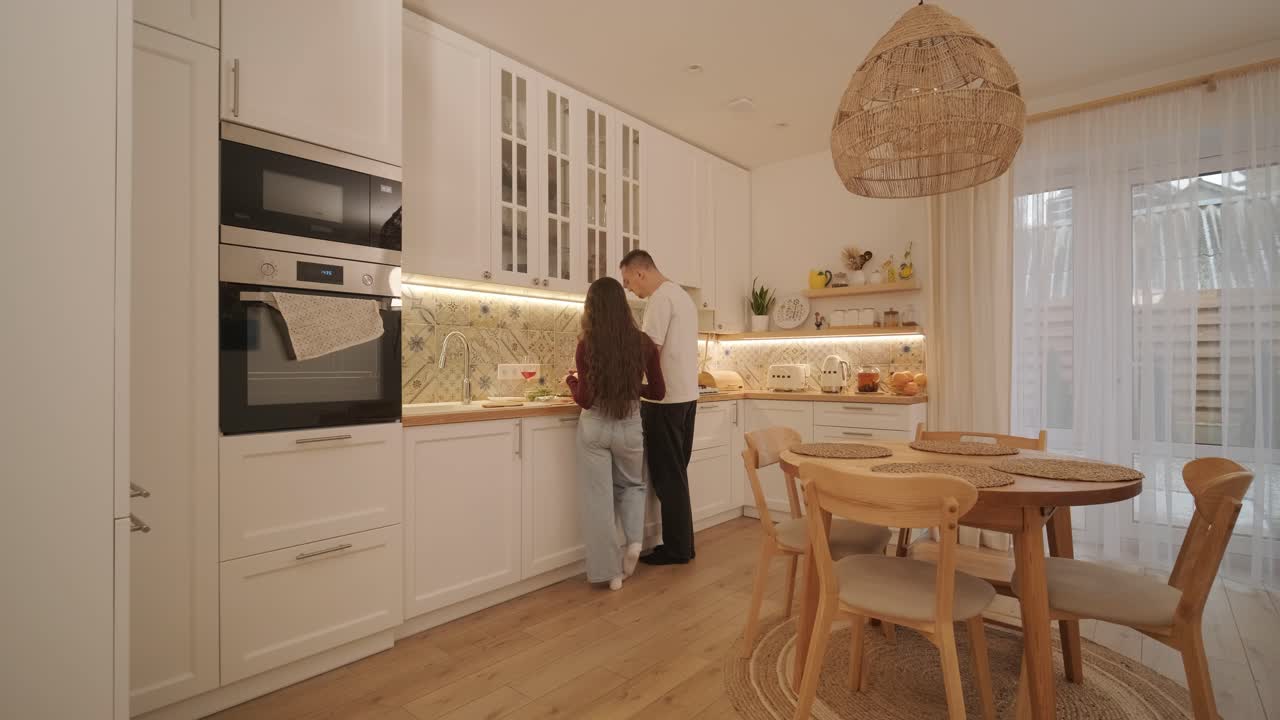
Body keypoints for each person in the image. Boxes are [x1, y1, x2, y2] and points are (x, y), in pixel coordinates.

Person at [565, 276, 666, 590]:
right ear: (624, 306)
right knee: (633, 487)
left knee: (598, 499)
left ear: (591, 308)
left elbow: (585, 398)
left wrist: (569, 381)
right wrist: (633, 386)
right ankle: (635, 544)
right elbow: (659, 392)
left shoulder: (587, 344)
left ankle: (609, 574)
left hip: (595, 427)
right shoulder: (644, 342)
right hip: (629, 425)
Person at [619, 249, 700, 565]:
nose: (629, 288)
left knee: (669, 478)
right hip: (686, 399)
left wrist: (621, 381)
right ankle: (683, 546)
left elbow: (648, 351)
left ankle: (679, 549)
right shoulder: (680, 296)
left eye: (628, 281)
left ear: (641, 273)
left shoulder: (660, 300)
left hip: (664, 401)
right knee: (676, 475)